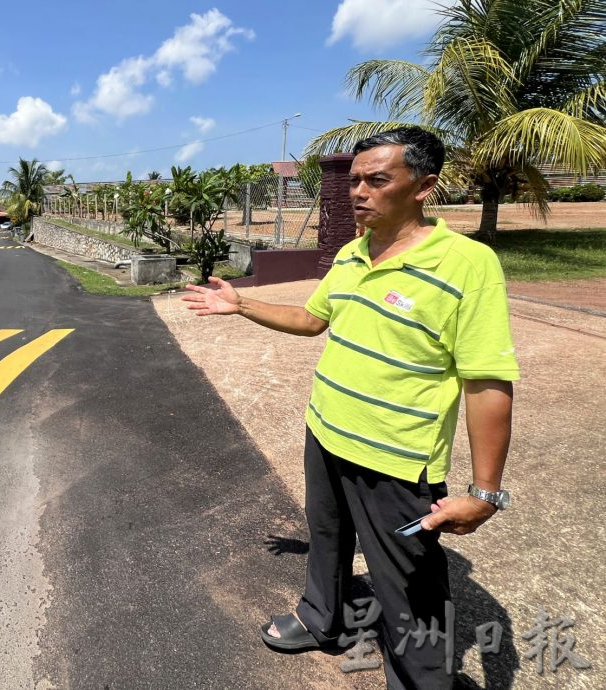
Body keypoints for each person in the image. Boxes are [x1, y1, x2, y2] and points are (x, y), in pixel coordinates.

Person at [182, 127, 518, 689]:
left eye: (377, 180)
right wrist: (240, 304)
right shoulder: (351, 253)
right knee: (327, 538)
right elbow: (313, 320)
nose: (357, 191)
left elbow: (487, 382)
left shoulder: (467, 264)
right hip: (327, 432)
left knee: (408, 587)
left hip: (396, 458)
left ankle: (420, 681)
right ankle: (323, 619)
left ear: (423, 187)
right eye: (355, 179)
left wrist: (485, 493)